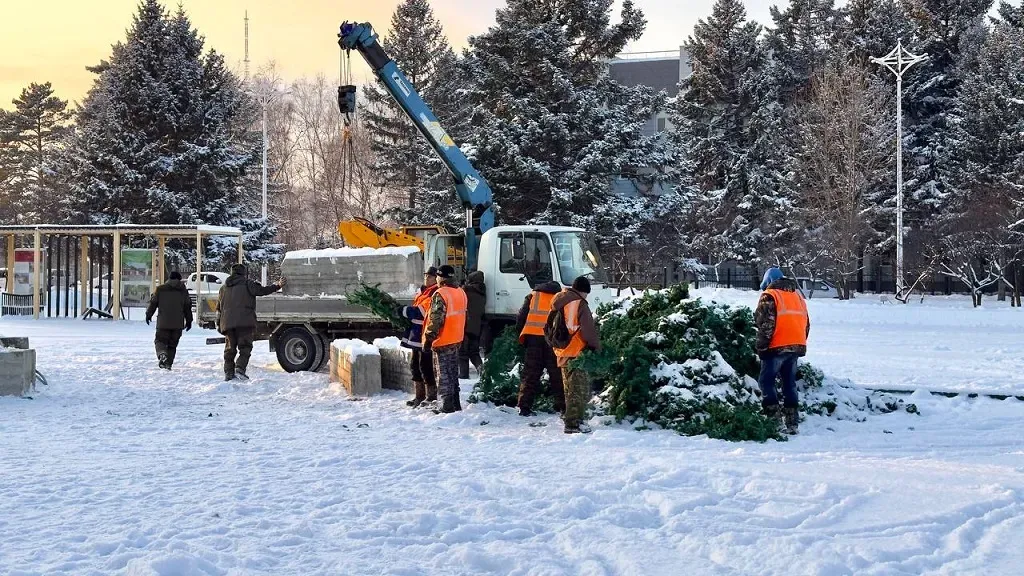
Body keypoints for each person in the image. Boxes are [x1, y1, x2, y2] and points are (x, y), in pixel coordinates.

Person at [755, 267, 810, 434]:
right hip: (795, 345)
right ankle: (792, 423)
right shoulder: (798, 297)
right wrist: (798, 343)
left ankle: (774, 421)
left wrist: (761, 347)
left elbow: (766, 325)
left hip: (776, 345)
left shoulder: (770, 295)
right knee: (789, 384)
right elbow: (806, 324)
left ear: (768, 281)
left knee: (766, 381)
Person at [551, 276, 601, 434]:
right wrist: (596, 347)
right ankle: (573, 424)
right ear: (583, 291)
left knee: (568, 389)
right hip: (576, 351)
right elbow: (588, 331)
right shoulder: (579, 303)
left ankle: (569, 418)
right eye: (586, 293)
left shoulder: (558, 299)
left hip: (561, 350)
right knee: (577, 390)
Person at [217, 263, 285, 381]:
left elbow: (219, 308)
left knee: (229, 350)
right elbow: (262, 291)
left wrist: (219, 323)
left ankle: (228, 372)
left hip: (227, 323)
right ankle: (240, 368)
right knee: (245, 348)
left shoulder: (223, 288)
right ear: (244, 273)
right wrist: (277, 286)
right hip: (245, 322)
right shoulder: (248, 284)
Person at [514, 279, 565, 416]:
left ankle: (524, 406)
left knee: (530, 374)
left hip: (532, 339)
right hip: (551, 341)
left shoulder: (532, 296)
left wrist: (520, 334)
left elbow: (521, 316)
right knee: (556, 374)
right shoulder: (559, 298)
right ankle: (561, 406)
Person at [423, 265, 468, 413]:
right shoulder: (461, 292)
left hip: (443, 340)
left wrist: (429, 338)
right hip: (456, 338)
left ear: (441, 277)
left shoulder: (440, 293)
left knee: (443, 375)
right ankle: (455, 403)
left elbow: (436, 319)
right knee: (453, 372)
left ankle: (446, 406)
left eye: (437, 276)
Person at [400, 267, 440, 407]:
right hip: (416, 335)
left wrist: (404, 311)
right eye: (426, 276)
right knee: (415, 365)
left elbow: (421, 312)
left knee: (425, 366)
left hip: (425, 336)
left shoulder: (434, 293)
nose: (427, 279)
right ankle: (419, 395)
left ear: (436, 278)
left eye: (430, 277)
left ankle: (431, 395)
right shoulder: (423, 292)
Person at [145, 271, 192, 370]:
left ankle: (162, 354)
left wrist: (148, 315)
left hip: (163, 322)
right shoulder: (183, 291)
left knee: (159, 340)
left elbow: (153, 303)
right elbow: (187, 307)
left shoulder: (160, 289)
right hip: (178, 324)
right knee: (172, 345)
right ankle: (168, 364)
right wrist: (189, 321)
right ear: (179, 279)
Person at [459, 270, 486, 379]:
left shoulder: (467, 290)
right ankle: (482, 370)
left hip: (466, 325)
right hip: (476, 326)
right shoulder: (483, 291)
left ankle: (464, 374)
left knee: (463, 352)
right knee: (474, 352)